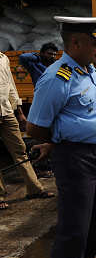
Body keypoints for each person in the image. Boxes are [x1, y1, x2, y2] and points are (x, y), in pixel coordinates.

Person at [26, 16, 96, 258]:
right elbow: (35, 127)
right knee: (75, 225)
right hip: (75, 158)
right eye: (94, 43)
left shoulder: (88, 70)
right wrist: (59, 140)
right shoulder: (56, 78)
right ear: (75, 42)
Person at [0, 51, 53, 211]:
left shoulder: (3, 58)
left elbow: (10, 85)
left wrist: (19, 112)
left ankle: (35, 189)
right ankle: (0, 196)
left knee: (20, 152)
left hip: (7, 112)